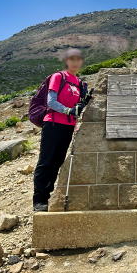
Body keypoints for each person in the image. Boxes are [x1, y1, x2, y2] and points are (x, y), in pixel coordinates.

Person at [33, 48, 90, 212]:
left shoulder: (79, 83)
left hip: (68, 127)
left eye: (78, 59)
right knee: (46, 161)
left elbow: (79, 106)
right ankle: (39, 200)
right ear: (66, 61)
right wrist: (68, 110)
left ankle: (49, 196)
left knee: (57, 162)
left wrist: (83, 103)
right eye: (72, 59)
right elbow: (51, 101)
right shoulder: (59, 76)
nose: (75, 62)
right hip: (53, 123)